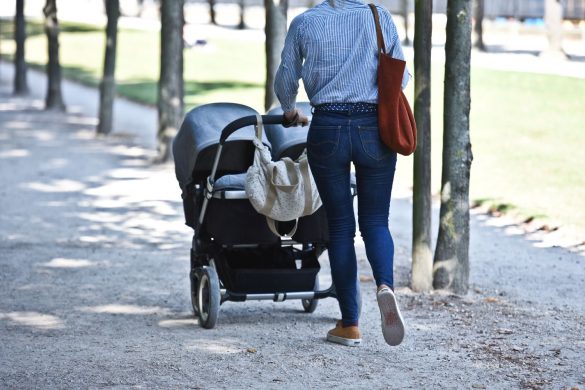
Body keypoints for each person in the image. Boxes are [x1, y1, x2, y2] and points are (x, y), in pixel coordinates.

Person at [274, 0, 409, 347]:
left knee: (340, 228)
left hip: (327, 127)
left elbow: (286, 78)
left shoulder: (305, 22)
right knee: (376, 221)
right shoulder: (378, 16)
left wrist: (290, 111)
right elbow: (401, 77)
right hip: (373, 129)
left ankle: (350, 324)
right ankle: (385, 286)